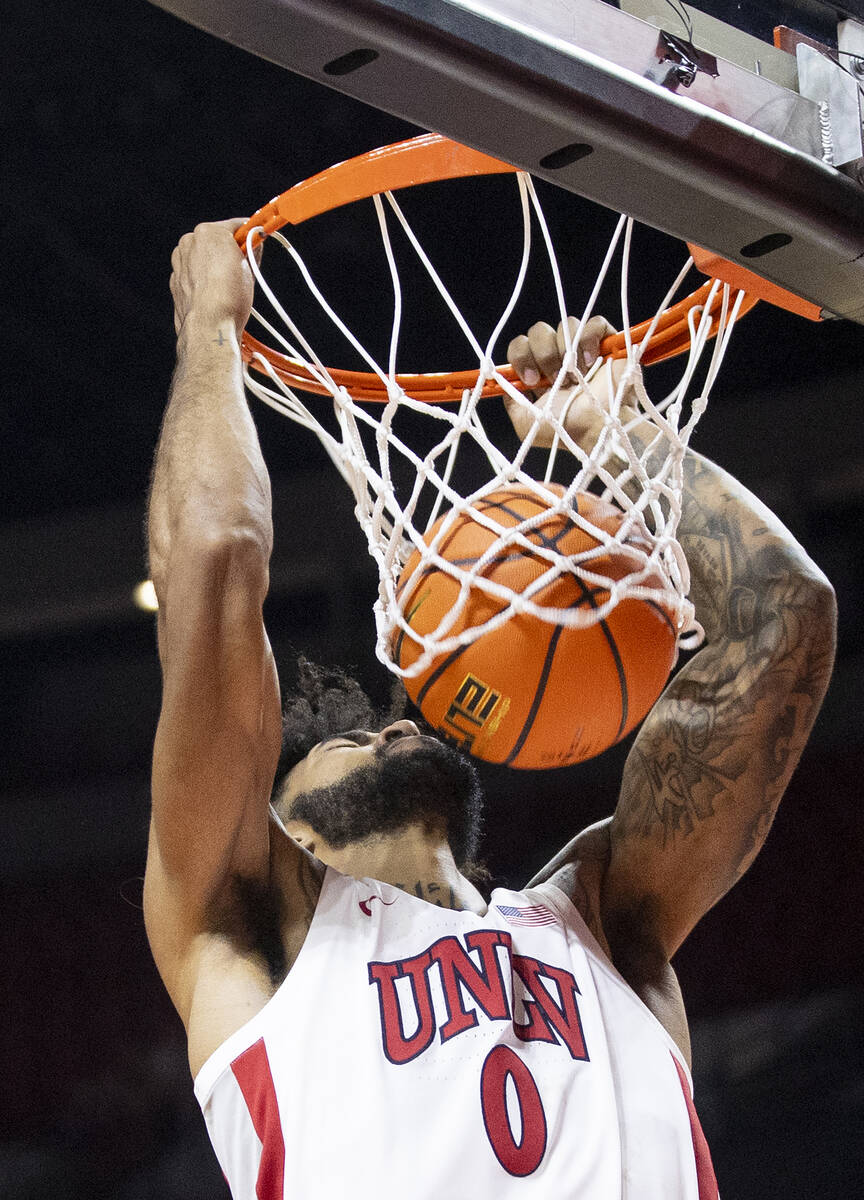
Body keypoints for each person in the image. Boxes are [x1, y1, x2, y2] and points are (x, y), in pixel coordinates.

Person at [145, 219, 837, 1199]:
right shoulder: (250, 932)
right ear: (282, 829)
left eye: (379, 721)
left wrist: (616, 430)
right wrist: (211, 330)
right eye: (339, 743)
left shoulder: (606, 919)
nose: (386, 725)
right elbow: (215, 557)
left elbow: (785, 621)